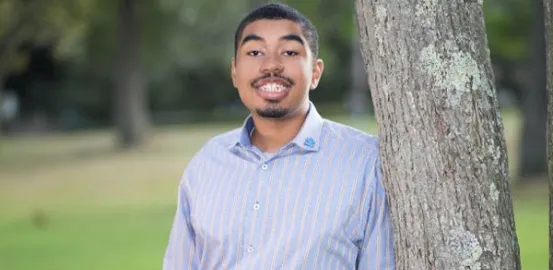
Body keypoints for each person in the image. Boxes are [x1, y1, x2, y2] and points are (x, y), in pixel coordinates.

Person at [162, 2, 395, 269]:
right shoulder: (206, 164)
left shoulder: (365, 162)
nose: (271, 65)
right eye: (255, 51)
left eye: (289, 51)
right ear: (235, 72)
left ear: (315, 72)